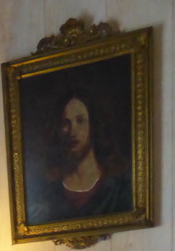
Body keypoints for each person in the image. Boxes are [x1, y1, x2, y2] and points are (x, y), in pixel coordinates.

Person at [26, 87, 132, 225]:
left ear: (93, 126)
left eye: (80, 121)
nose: (72, 131)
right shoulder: (47, 190)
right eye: (65, 122)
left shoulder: (119, 187)